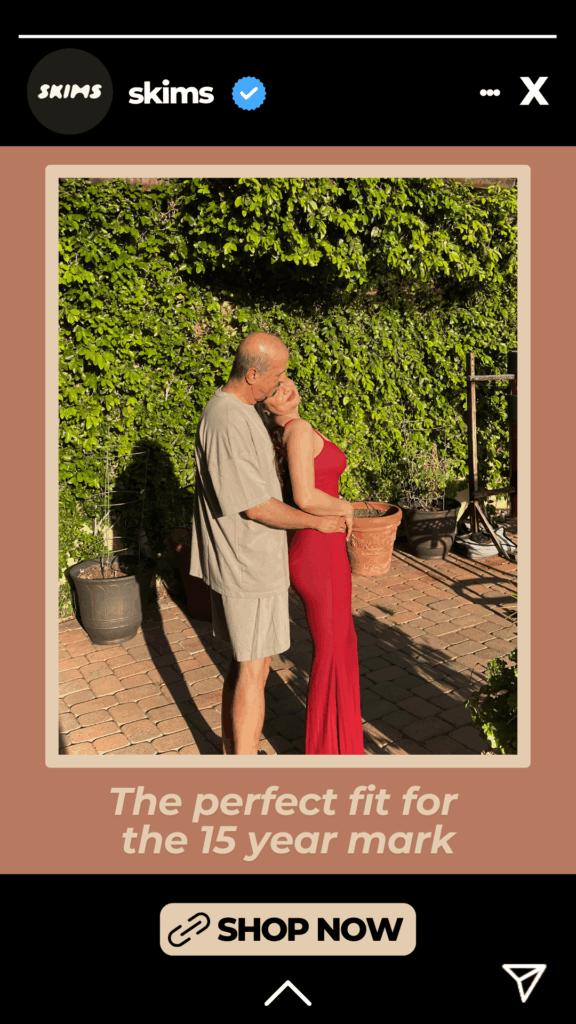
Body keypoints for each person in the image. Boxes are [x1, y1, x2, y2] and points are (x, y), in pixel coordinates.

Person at [190, 332, 347, 755]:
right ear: (252, 374)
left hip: (249, 560)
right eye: (277, 375)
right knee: (255, 671)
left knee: (246, 662)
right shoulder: (227, 419)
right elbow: (256, 506)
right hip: (248, 564)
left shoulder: (239, 411)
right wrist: (317, 523)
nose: (281, 381)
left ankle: (233, 754)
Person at [256, 377, 366, 754]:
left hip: (317, 545)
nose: (285, 388)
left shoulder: (289, 430)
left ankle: (341, 744)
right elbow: (305, 497)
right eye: (273, 391)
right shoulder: (298, 429)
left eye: (284, 381)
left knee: (340, 644)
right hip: (318, 549)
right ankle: (327, 752)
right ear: (265, 406)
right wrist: (347, 507)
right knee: (334, 650)